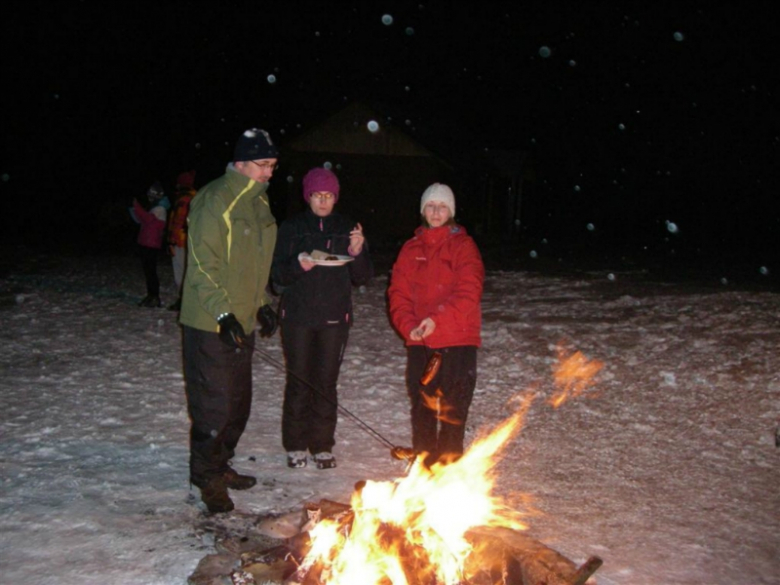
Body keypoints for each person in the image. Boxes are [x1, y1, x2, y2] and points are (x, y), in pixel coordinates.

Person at [179, 128, 280, 513]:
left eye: (273, 166)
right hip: (210, 322)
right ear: (241, 162)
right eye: (263, 165)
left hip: (241, 320)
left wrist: (261, 304)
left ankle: (221, 464)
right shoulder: (213, 200)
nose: (269, 173)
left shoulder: (259, 204)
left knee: (238, 404)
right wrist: (224, 313)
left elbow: (252, 268)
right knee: (214, 405)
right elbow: (205, 268)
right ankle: (205, 476)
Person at [271, 167, 373, 470]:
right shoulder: (291, 227)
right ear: (308, 196)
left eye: (328, 196)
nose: (323, 201)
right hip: (297, 317)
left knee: (326, 382)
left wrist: (358, 251)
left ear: (335, 197)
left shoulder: (347, 227)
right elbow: (277, 276)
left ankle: (322, 445)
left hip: (334, 317)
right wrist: (298, 264)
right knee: (299, 379)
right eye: (317, 195)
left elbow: (362, 276)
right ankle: (295, 445)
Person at [387, 183, 484, 466]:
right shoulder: (410, 249)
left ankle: (450, 473)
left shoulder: (463, 246)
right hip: (422, 343)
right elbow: (398, 293)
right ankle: (425, 471)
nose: (436, 212)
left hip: (457, 341)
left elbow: (469, 291)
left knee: (453, 412)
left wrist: (436, 320)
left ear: (451, 211)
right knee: (423, 410)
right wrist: (409, 326)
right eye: (431, 206)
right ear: (423, 211)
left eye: (442, 206)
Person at [130, 181, 170, 308]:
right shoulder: (155, 207)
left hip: (151, 244)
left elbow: (149, 220)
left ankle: (155, 297)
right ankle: (151, 295)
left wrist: (137, 207)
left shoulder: (160, 208)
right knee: (148, 271)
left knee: (151, 272)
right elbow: (144, 220)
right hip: (146, 242)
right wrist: (135, 210)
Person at [166, 170, 197, 311]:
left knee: (181, 271)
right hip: (189, 240)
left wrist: (171, 240)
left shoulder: (183, 199)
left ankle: (184, 300)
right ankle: (185, 299)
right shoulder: (194, 197)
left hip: (181, 240)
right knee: (185, 270)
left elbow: (178, 221)